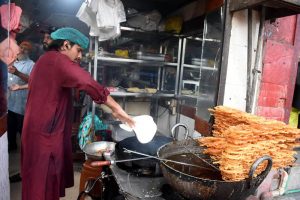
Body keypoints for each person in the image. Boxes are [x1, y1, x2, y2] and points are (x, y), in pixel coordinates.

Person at [21, 27, 135, 200]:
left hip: (38, 134)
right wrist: (118, 110)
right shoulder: (57, 60)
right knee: (42, 187)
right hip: (45, 137)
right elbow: (87, 82)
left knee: (40, 185)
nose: (80, 56)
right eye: (79, 50)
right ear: (66, 45)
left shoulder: (44, 61)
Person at [7, 41, 34, 151]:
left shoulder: (32, 65)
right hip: (10, 102)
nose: (22, 50)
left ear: (29, 52)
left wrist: (17, 73)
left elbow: (33, 81)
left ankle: (27, 151)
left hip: (23, 104)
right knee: (10, 128)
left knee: (23, 129)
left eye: (25, 48)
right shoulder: (11, 62)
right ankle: (11, 147)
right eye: (21, 47)